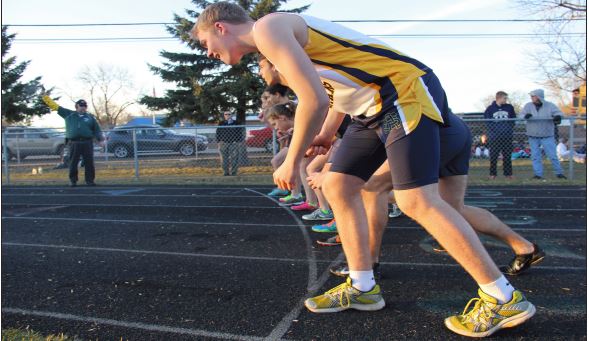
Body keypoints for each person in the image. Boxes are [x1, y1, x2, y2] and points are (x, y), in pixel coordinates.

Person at [192, 4, 535, 337]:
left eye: (206, 44)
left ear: (221, 28)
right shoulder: (282, 41)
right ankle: (362, 285)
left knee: (415, 200)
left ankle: (503, 298)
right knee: (339, 186)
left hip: (399, 93)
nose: (208, 53)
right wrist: (326, 134)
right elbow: (336, 92)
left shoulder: (267, 28)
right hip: (370, 108)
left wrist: (293, 158)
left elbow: (313, 99)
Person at [41, 96, 103, 186]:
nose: (83, 107)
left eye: (85, 106)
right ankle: (73, 180)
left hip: (87, 142)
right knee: (73, 162)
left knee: (89, 162)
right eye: (81, 106)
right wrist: (45, 98)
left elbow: (96, 130)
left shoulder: (90, 117)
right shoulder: (68, 114)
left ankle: (90, 181)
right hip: (74, 142)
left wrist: (100, 140)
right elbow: (55, 106)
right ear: (76, 106)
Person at [520, 89, 566, 179]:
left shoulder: (550, 105)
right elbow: (521, 115)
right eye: (531, 96)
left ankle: (559, 173)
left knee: (552, 155)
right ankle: (538, 174)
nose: (531, 98)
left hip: (547, 135)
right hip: (533, 135)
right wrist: (525, 116)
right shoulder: (528, 106)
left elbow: (560, 113)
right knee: (535, 156)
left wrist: (557, 116)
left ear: (538, 97)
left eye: (533, 96)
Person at [484, 91, 516, 179]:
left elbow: (513, 120)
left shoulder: (509, 107)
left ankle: (508, 174)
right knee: (493, 156)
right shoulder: (490, 109)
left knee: (507, 156)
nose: (506, 100)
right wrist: (496, 131)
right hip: (495, 137)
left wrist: (508, 129)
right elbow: (487, 122)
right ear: (499, 98)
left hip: (507, 136)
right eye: (504, 98)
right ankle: (492, 174)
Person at [216, 111, 243, 176]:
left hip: (233, 143)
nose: (227, 115)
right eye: (226, 114)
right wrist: (218, 141)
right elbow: (218, 133)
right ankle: (226, 172)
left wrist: (238, 141)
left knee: (235, 158)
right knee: (224, 159)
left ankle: (234, 172)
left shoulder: (236, 123)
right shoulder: (221, 123)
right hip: (223, 143)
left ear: (231, 115)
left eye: (229, 114)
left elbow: (239, 133)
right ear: (224, 115)